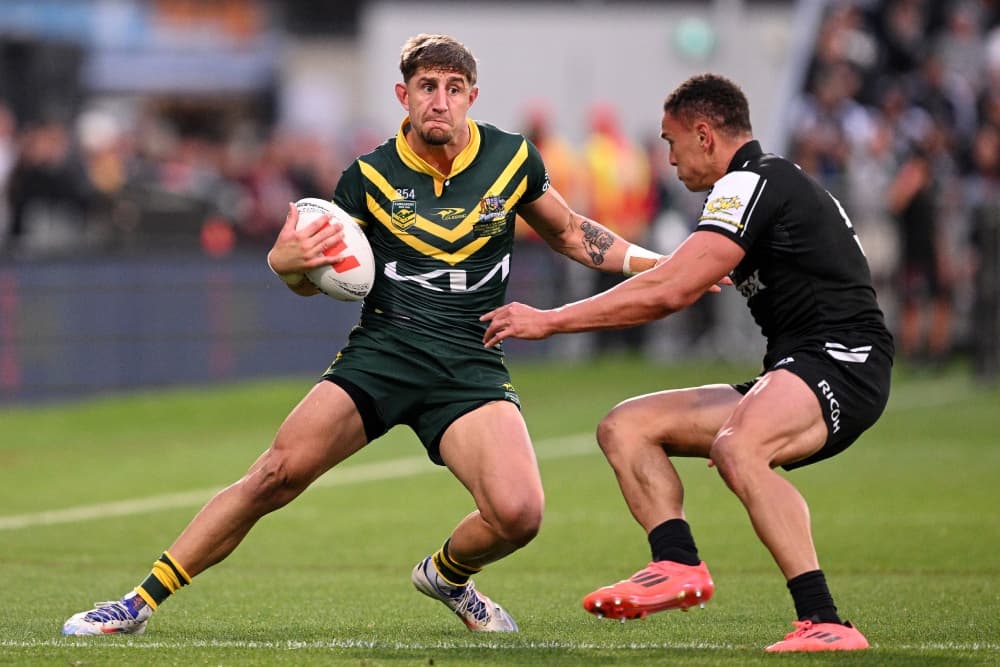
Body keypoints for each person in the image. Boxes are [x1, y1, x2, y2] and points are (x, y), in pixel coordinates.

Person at [61, 33, 664, 636]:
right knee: (273, 475)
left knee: (520, 514)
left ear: (472, 96)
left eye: (454, 89)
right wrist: (284, 262)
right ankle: (137, 604)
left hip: (469, 363)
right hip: (384, 353)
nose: (440, 101)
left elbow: (568, 232)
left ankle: (447, 575)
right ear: (403, 95)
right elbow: (313, 279)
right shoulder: (367, 178)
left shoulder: (511, 159)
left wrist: (655, 263)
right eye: (427, 87)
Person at [482, 73, 894, 652]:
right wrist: (672, 269)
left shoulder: (747, 182)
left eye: (671, 142)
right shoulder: (766, 181)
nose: (668, 159)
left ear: (704, 134)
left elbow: (668, 292)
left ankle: (825, 621)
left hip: (843, 361)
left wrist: (550, 320)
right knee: (626, 427)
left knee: (738, 446)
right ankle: (677, 563)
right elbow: (675, 276)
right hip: (795, 365)